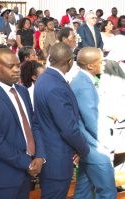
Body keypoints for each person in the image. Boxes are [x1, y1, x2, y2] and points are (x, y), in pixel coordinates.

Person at [0, 48, 45, 199]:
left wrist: (39, 156)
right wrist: (27, 163)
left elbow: (34, 125)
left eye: (18, 65)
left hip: (28, 172)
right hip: (5, 177)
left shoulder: (22, 91)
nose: (16, 70)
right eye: (10, 66)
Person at [34, 42, 90, 199]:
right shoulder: (55, 85)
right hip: (57, 158)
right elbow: (68, 128)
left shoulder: (44, 78)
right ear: (70, 61)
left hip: (49, 153)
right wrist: (84, 150)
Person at [70, 47, 117, 199]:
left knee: (83, 192)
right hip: (96, 147)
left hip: (87, 146)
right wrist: (108, 145)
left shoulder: (81, 79)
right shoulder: (83, 85)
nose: (104, 64)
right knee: (108, 193)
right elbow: (93, 121)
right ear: (90, 65)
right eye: (101, 62)